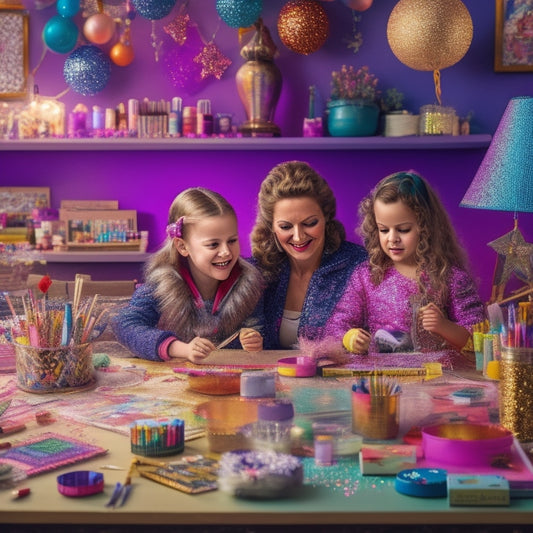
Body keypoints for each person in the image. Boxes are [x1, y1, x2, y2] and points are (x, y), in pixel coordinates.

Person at [325, 170, 486, 354]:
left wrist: (444, 326)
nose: (392, 238)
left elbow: (479, 336)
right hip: (383, 379)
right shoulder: (368, 276)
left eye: (403, 229)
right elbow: (336, 325)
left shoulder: (450, 278)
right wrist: (351, 338)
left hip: (436, 378)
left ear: (426, 227)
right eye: (384, 230)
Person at [113, 187, 264, 362]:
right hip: (174, 382)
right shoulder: (161, 286)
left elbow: (260, 331)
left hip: (230, 381)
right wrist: (180, 349)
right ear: (183, 247)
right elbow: (124, 325)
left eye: (232, 241)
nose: (226, 252)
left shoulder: (249, 283)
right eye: (213, 244)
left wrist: (254, 339)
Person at [250, 160, 368, 350]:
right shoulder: (257, 273)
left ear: (326, 217)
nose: (298, 236)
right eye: (286, 226)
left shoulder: (359, 265)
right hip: (270, 378)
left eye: (310, 223)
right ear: (271, 227)